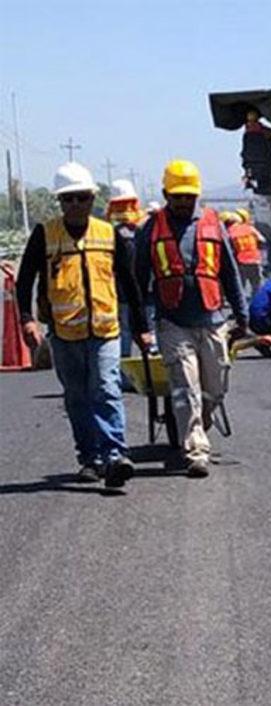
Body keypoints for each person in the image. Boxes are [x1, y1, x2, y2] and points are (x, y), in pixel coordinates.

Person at [15, 162, 150, 487]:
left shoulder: (108, 234)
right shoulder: (45, 234)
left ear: (92, 199)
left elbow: (130, 284)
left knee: (106, 389)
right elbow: (25, 281)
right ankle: (89, 458)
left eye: (81, 198)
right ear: (60, 203)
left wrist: (143, 327)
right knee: (76, 397)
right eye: (68, 199)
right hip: (64, 332)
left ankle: (115, 455)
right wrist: (27, 319)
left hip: (105, 331)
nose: (75, 205)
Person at [135, 159, 248, 478]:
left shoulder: (212, 223)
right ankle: (196, 449)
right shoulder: (152, 229)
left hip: (213, 319)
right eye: (177, 196)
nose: (184, 202)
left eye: (189, 196)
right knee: (186, 387)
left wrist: (242, 315)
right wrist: (142, 325)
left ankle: (200, 424)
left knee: (214, 387)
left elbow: (230, 272)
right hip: (172, 322)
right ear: (166, 194)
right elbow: (138, 279)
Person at [106, 179, 148, 389]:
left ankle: (122, 376)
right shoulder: (142, 229)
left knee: (123, 332)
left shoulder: (108, 232)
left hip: (120, 292)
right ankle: (150, 372)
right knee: (147, 331)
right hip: (142, 291)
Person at [226, 209, 265, 296]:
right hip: (255, 260)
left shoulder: (230, 231)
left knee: (240, 285)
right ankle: (257, 300)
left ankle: (241, 302)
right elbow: (262, 240)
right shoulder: (250, 229)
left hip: (241, 261)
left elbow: (229, 247)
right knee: (256, 285)